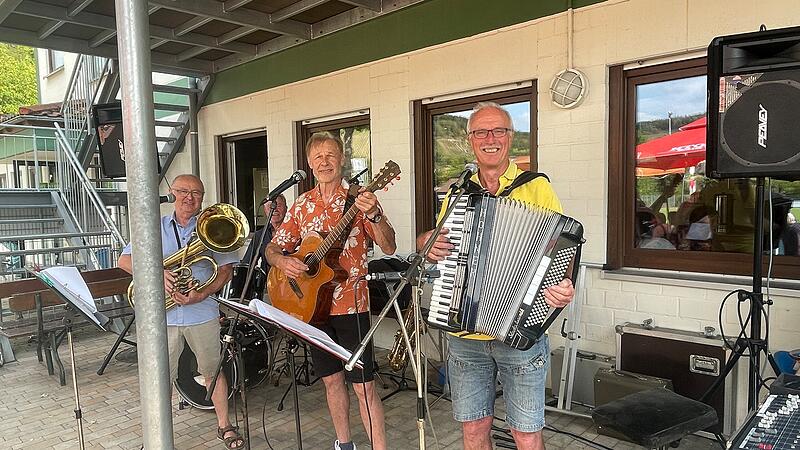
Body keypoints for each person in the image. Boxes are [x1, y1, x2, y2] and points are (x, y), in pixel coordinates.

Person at [416, 102, 575, 450]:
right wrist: (427, 243)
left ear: (510, 137)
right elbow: (440, 246)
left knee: (526, 434)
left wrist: (562, 288)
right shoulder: (457, 193)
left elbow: (558, 257)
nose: (490, 139)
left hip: (519, 332)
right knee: (474, 431)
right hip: (464, 334)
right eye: (481, 132)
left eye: (498, 131)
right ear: (470, 140)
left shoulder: (536, 188)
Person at [265, 132, 396, 450]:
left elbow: (389, 245)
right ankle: (344, 443)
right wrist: (284, 263)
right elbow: (272, 249)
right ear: (310, 164)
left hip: (352, 305)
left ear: (342, 160)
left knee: (363, 386)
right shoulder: (301, 205)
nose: (324, 162)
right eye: (318, 157)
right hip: (311, 307)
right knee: (331, 380)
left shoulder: (360, 198)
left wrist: (375, 214)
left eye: (330, 155)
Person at [117, 174, 244, 449]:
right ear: (172, 193)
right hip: (163, 317)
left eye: (196, 193)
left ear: (202, 198)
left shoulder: (215, 227)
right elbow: (124, 260)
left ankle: (225, 426)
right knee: (160, 376)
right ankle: (157, 435)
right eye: (183, 191)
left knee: (212, 370)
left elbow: (225, 271)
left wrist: (202, 293)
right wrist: (156, 270)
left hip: (203, 312)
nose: (189, 197)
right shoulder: (154, 227)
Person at [241, 194, 288, 274]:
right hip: (267, 283)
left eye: (278, 206)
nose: (274, 209)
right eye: (271, 206)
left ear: (286, 209)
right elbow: (247, 264)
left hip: (294, 282)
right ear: (265, 210)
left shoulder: (296, 232)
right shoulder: (259, 235)